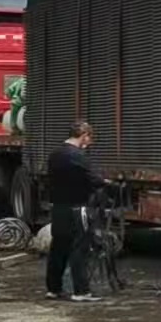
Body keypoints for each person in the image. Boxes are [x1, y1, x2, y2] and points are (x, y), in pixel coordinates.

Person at [44, 120, 106, 302]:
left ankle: (53, 289)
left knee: (58, 248)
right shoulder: (78, 156)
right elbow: (92, 179)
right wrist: (106, 183)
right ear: (84, 135)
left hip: (58, 208)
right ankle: (81, 291)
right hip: (78, 208)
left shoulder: (54, 154)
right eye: (89, 138)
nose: (90, 142)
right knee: (80, 248)